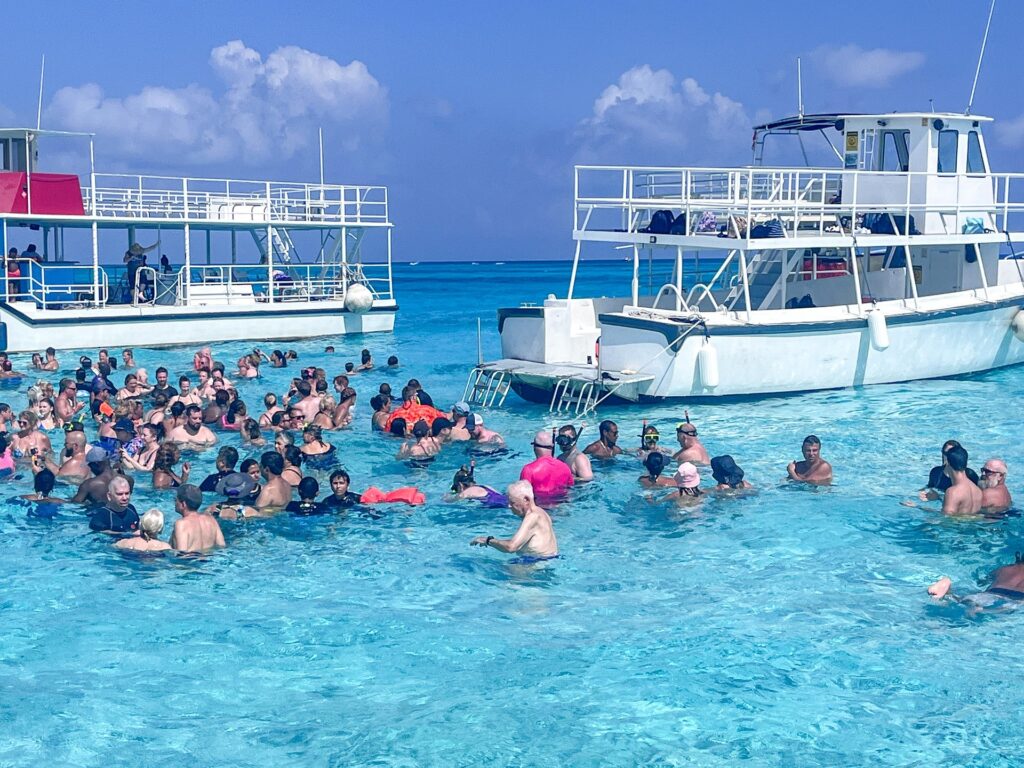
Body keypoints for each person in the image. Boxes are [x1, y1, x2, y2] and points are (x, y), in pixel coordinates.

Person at [470, 480, 558, 561]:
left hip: (535, 562)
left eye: (512, 503)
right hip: (547, 559)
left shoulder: (532, 517)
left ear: (526, 500)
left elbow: (511, 547)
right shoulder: (541, 512)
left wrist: (488, 540)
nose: (509, 506)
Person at [929, 553, 1024, 606]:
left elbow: (983, 582)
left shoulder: (1004, 569)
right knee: (1004, 610)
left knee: (962, 600)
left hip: (994, 591)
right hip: (1020, 596)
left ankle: (948, 590)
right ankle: (980, 610)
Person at [520, 430, 574, 502]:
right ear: (552, 447)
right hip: (560, 507)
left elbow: (523, 496)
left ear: (534, 448)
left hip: (539, 508)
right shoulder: (565, 467)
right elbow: (570, 490)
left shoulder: (529, 469)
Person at [169, 484, 226, 552]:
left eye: (176, 500)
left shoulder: (181, 524)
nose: (175, 503)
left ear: (183, 504)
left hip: (191, 561)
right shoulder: (211, 520)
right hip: (208, 560)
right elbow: (222, 547)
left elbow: (181, 554)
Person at [941, 444, 983, 515]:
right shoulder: (977, 490)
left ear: (948, 463)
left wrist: (920, 508)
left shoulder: (953, 492)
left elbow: (946, 521)